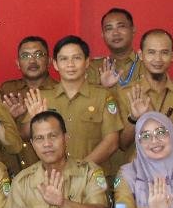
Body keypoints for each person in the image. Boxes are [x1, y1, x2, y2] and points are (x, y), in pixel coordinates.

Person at [0, 111, 110, 208]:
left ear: (65, 138)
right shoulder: (23, 181)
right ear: (32, 144)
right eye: (40, 138)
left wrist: (62, 202)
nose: (47, 144)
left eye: (53, 136)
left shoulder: (90, 172)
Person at [22, 36, 122, 167]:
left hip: (91, 179)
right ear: (55, 64)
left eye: (77, 58)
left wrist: (80, 168)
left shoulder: (103, 96)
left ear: (87, 62)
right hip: (52, 178)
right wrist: (33, 119)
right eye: (64, 59)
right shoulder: (42, 96)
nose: (70, 64)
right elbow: (24, 136)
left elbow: (111, 142)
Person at [113, 29, 173, 178]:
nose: (158, 59)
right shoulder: (125, 93)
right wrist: (134, 118)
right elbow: (121, 144)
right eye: (151, 52)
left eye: (164, 53)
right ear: (141, 55)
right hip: (138, 178)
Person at [0, 36, 58, 167]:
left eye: (38, 54)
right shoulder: (7, 90)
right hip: (12, 167)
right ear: (18, 63)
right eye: (25, 56)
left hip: (48, 170)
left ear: (49, 61)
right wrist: (9, 118)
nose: (32, 60)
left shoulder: (59, 91)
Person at [87, 7, 146, 90]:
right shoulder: (94, 68)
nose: (115, 33)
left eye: (121, 26)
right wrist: (103, 87)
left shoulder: (148, 64)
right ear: (103, 35)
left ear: (133, 30)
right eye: (109, 28)